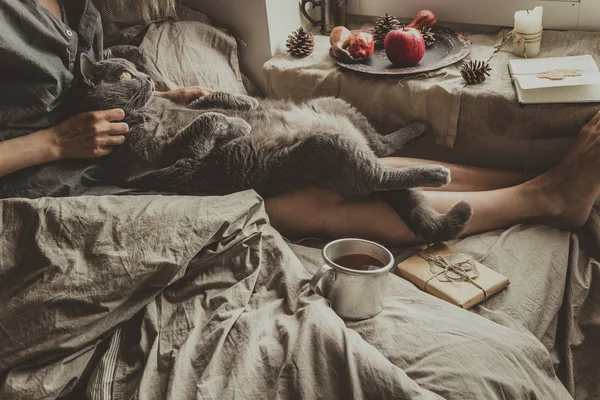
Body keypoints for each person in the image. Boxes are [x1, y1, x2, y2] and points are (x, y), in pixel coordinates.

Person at [1, 0, 599, 246]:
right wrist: (53, 140)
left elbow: (99, 75)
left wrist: (161, 94)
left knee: (339, 147)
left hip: (116, 131)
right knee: (296, 195)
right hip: (51, 180)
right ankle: (544, 197)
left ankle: (534, 172)